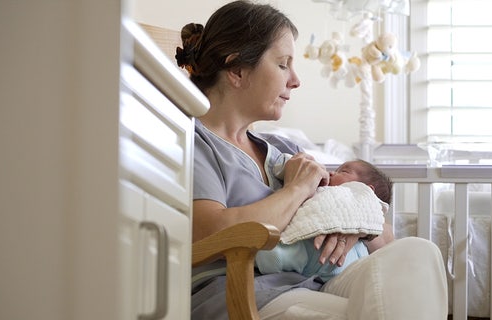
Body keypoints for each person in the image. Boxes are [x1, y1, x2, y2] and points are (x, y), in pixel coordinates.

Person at [176, 1, 448, 319]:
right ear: (237, 70)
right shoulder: (194, 143)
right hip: (248, 293)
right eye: (283, 64)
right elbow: (213, 232)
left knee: (418, 252)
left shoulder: (280, 146)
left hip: (314, 284)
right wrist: (297, 189)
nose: (295, 80)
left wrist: (353, 225)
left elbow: (386, 238)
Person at [255, 159, 395, 282]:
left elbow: (388, 237)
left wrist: (358, 224)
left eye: (344, 171)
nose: (332, 173)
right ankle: (270, 256)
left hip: (351, 269)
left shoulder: (367, 208)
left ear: (366, 191)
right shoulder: (316, 188)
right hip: (313, 255)